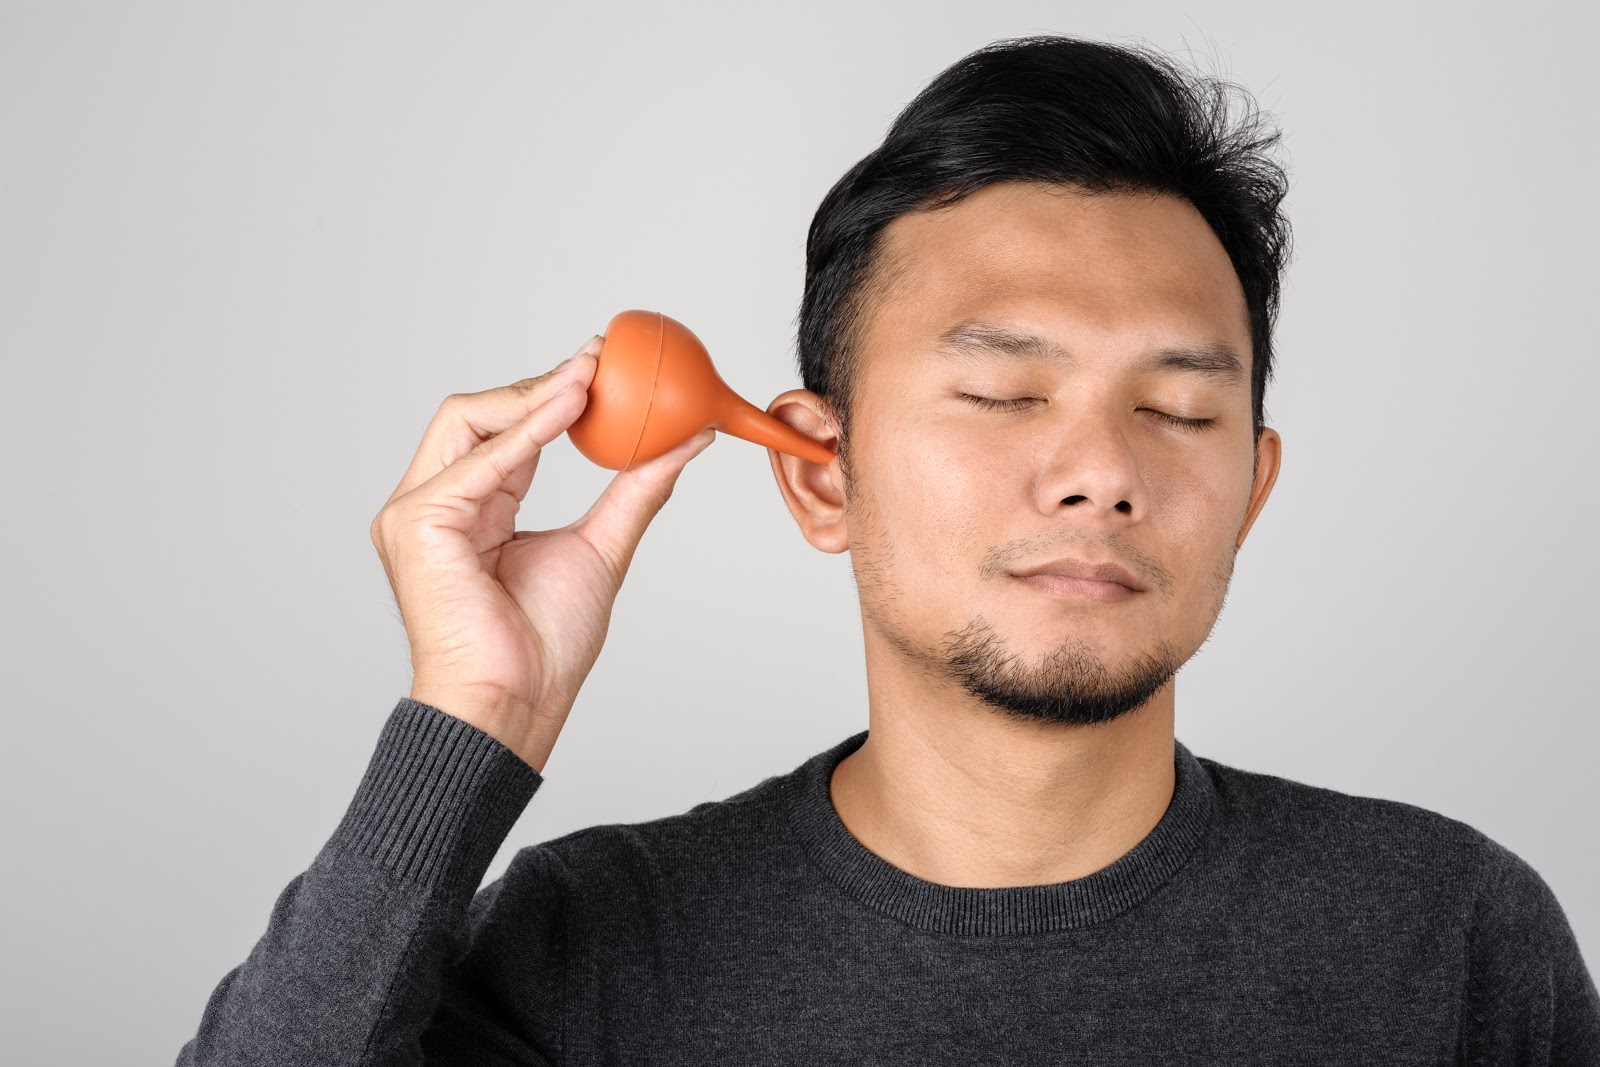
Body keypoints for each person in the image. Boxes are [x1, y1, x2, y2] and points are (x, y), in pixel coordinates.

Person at [176, 33, 1599, 1066]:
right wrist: (471, 717)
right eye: (1001, 394)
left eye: (1176, 409)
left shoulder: (1449, 940)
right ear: (819, 476)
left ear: (1252, 489)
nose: (1101, 472)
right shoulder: (597, 949)